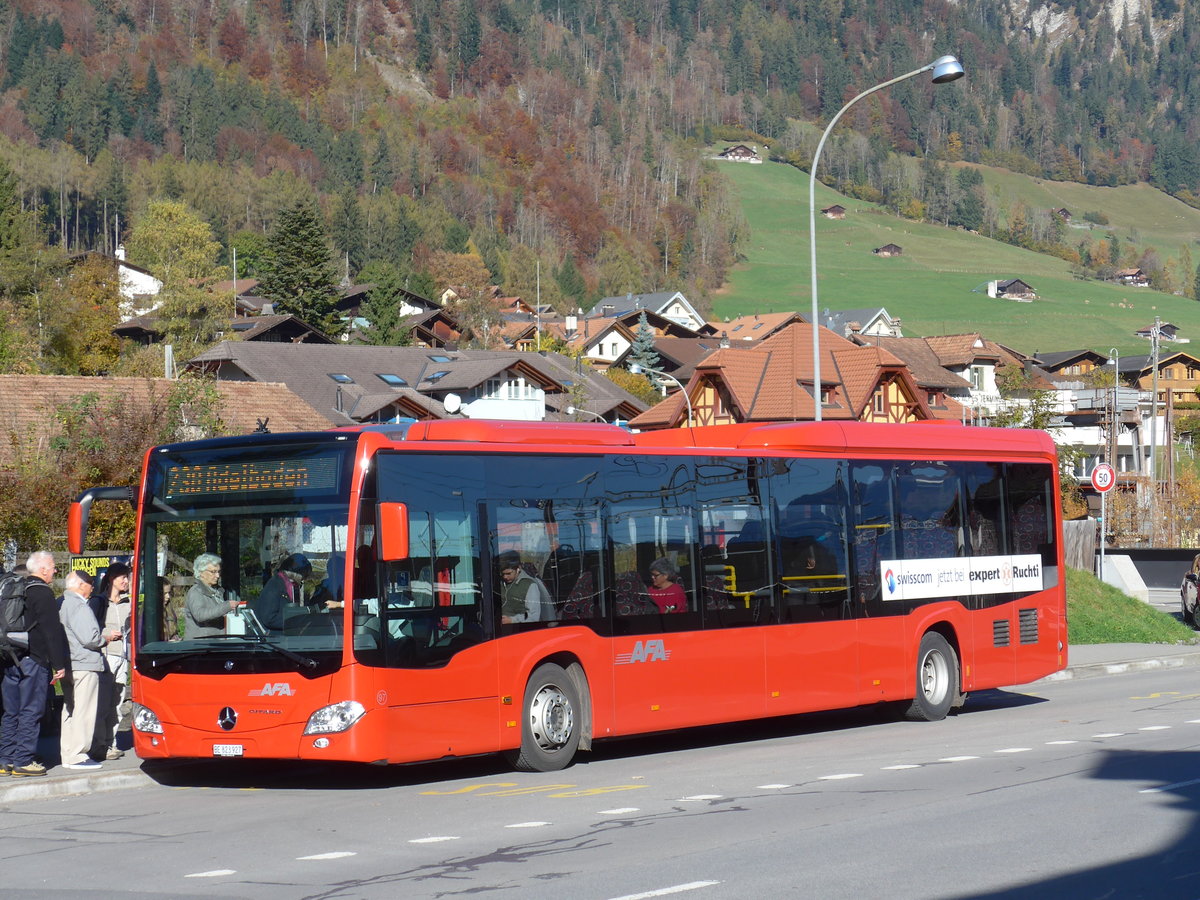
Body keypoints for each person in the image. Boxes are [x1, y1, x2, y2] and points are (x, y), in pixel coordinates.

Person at [0, 551, 69, 777]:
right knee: (31, 709)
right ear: (42, 569)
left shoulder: (14, 589)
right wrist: (59, 664)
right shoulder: (41, 592)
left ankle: (5, 760)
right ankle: (24, 760)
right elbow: (51, 632)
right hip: (34, 660)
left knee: (11, 711)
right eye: (52, 566)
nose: (55, 570)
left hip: (10, 657)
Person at [58, 571, 120, 771]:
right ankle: (79, 754)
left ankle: (68, 753)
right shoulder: (78, 606)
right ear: (80, 585)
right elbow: (90, 638)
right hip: (84, 664)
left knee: (70, 710)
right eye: (91, 583)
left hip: (69, 664)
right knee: (84, 711)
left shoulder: (62, 602)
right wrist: (106, 637)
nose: (93, 587)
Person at [93, 562, 132, 760]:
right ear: (111, 579)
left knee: (117, 702)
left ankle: (111, 742)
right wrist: (107, 634)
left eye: (127, 577)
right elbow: (89, 629)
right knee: (103, 702)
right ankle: (99, 744)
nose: (126, 581)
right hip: (105, 655)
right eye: (122, 577)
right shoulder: (99, 602)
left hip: (123, 657)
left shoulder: (129, 603)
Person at [250, 553, 312, 632]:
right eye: (304, 576)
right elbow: (269, 618)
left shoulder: (289, 585)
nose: (304, 579)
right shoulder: (275, 585)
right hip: (271, 639)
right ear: (296, 573)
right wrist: (296, 621)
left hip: (283, 636)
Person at [183, 553, 238, 639]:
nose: (217, 576)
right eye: (213, 572)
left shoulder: (217, 591)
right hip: (200, 646)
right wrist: (227, 606)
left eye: (219, 571)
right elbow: (200, 615)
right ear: (201, 572)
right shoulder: (196, 592)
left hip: (214, 644)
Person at [497, 550, 550, 624]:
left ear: (518, 568)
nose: (505, 577)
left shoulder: (530, 585)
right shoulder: (499, 583)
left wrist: (512, 620)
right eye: (502, 574)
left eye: (508, 573)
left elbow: (533, 615)